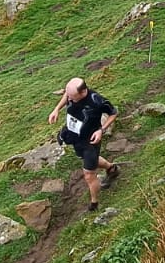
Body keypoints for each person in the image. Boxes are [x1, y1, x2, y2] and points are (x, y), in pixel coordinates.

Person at [48, 77, 120, 211]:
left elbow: (113, 113)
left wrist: (101, 130)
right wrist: (56, 109)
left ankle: (94, 203)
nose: (69, 99)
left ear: (82, 92)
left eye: (72, 97)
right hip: (75, 136)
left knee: (88, 174)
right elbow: (67, 95)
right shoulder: (71, 94)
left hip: (90, 140)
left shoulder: (96, 100)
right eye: (68, 96)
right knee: (91, 161)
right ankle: (111, 168)